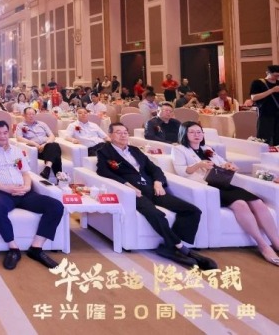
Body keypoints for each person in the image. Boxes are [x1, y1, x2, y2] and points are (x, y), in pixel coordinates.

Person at [96, 123, 216, 268]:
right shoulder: (104, 152)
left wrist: (158, 182)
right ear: (110, 135)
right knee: (156, 214)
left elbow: (154, 169)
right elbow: (103, 171)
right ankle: (180, 247)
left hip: (153, 189)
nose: (123, 135)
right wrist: (127, 185)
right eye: (118, 132)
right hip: (133, 193)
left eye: (125, 132)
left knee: (192, 210)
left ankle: (170, 247)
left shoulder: (134, 150)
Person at [172, 121, 279, 266]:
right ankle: (263, 245)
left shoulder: (207, 148)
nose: (196, 135)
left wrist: (229, 165)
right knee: (241, 204)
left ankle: (276, 242)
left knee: (258, 202)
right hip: (206, 186)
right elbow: (181, 171)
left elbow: (222, 163)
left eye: (199, 132)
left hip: (221, 182)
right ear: (184, 134)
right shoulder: (179, 149)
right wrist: (198, 165)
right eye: (192, 132)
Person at [0, 120, 63, 270]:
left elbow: (25, 173)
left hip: (23, 192)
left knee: (56, 206)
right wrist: (6, 188)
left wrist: (27, 186)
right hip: (2, 192)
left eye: (5, 133)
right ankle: (13, 248)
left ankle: (36, 248)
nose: (2, 136)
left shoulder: (16, 151)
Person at [15, 107, 62, 181]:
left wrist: (45, 144)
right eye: (29, 114)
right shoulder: (21, 125)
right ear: (24, 115)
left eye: (33, 114)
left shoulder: (42, 124)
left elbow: (52, 136)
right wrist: (33, 143)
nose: (31, 116)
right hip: (36, 150)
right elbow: (19, 138)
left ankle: (47, 169)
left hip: (47, 147)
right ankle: (60, 179)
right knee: (56, 153)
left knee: (54, 145)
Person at [251, 65, 279, 145]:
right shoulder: (258, 83)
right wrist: (272, 90)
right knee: (264, 139)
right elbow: (254, 97)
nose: (276, 78)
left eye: (278, 76)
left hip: (277, 114)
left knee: (277, 139)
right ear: (267, 73)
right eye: (275, 75)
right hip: (265, 114)